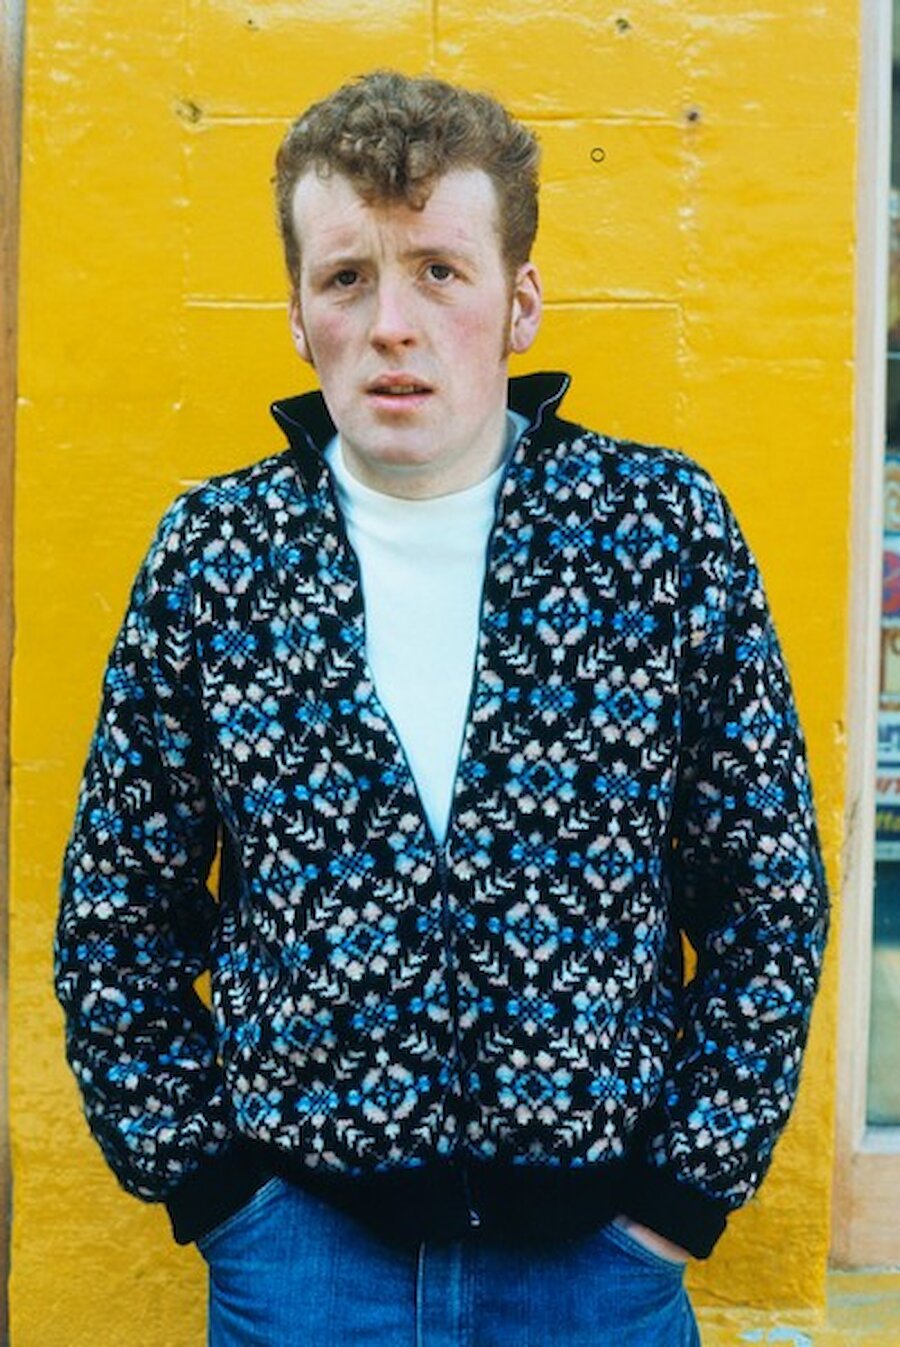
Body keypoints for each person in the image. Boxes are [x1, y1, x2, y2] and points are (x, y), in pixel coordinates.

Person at [55, 70, 829, 1346]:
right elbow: (116, 910)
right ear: (301, 315)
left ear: (520, 302)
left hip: (600, 1271)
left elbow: (765, 894)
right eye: (348, 276)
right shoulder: (217, 556)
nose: (393, 324)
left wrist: (679, 1203)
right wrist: (214, 1195)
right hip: (304, 1263)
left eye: (439, 272)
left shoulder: (661, 534)